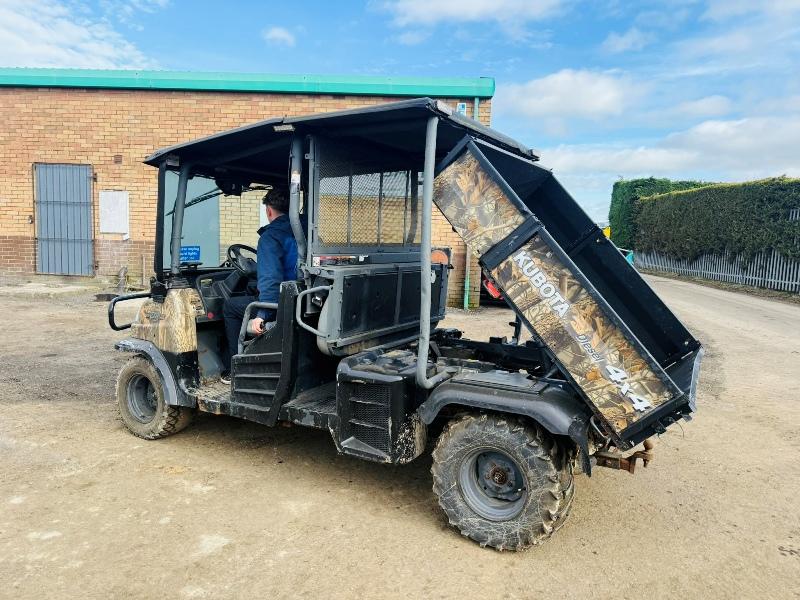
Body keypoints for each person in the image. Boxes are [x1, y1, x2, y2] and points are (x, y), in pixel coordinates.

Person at [221, 186, 298, 382]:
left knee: (230, 306)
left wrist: (262, 315)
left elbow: (271, 279)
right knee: (251, 289)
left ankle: (234, 368)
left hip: (281, 304)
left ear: (269, 211)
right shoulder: (304, 229)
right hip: (302, 297)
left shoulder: (270, 237)